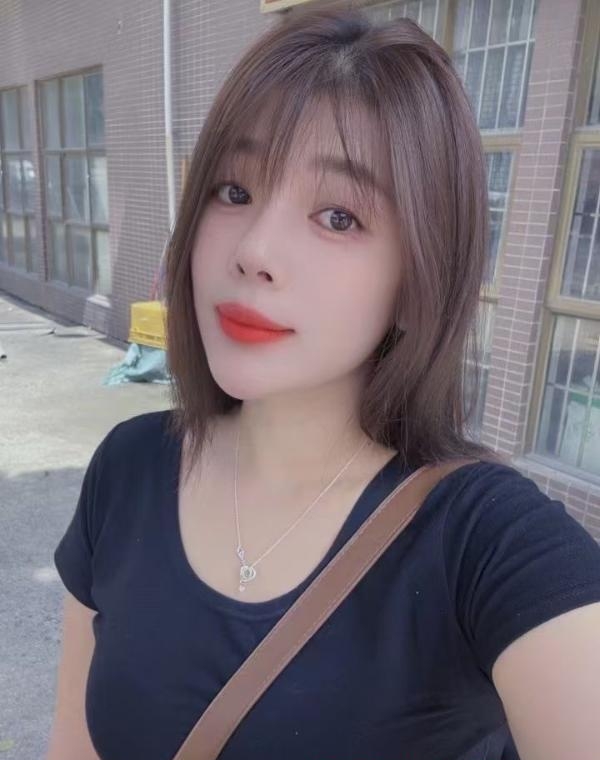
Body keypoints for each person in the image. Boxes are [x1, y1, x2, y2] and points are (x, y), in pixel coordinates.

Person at [47, 4, 600, 760]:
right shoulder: (127, 469)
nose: (255, 250)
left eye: (338, 216)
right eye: (234, 191)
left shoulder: (486, 541)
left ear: (418, 278)